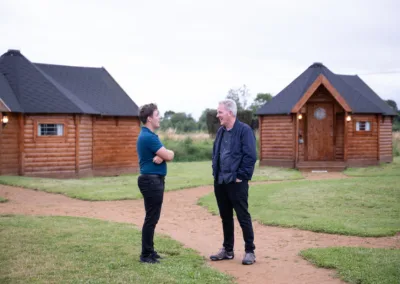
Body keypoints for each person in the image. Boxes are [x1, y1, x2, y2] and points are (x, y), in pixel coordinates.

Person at [209, 99, 257, 265]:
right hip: (220, 181)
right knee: (225, 217)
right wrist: (215, 172)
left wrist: (241, 176)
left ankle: (250, 251)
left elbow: (250, 155)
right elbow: (216, 153)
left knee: (243, 216)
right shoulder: (221, 131)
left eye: (220, 112)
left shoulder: (244, 130)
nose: (218, 115)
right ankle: (228, 250)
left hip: (236, 182)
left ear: (230, 112)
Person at [136, 103, 175, 264]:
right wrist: (165, 155)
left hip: (152, 180)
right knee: (151, 218)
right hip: (151, 181)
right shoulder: (149, 137)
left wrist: (163, 155)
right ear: (149, 118)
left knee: (152, 217)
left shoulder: (148, 136)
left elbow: (166, 154)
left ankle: (150, 251)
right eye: (157, 115)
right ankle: (146, 255)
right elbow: (170, 155)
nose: (160, 118)